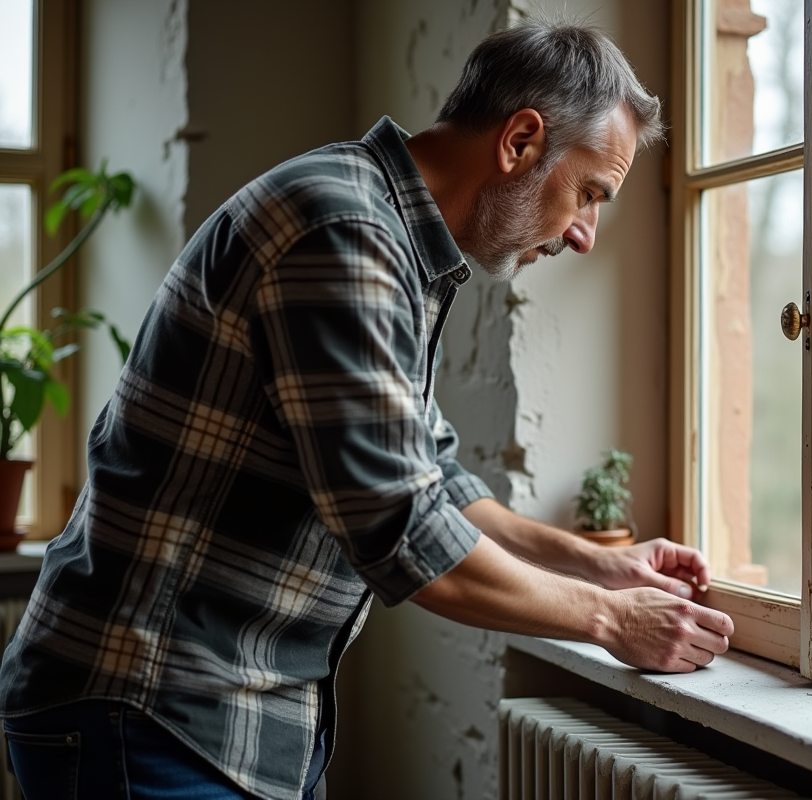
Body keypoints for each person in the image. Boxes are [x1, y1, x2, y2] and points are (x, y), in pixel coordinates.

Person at [0, 18, 735, 800]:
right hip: (150, 707)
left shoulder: (393, 242)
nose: (586, 234)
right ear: (520, 141)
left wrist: (598, 565)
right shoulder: (343, 230)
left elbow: (433, 480)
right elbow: (401, 533)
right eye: (590, 192)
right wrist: (612, 621)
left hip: (212, 718)